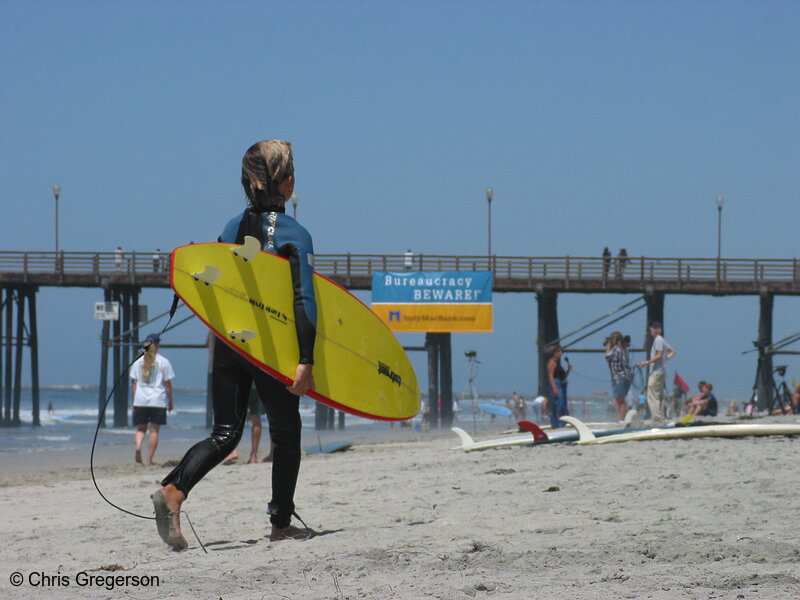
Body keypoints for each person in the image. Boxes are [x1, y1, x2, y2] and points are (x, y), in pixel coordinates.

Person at [152, 140, 316, 550]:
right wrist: (306, 359)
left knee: (226, 432)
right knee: (287, 433)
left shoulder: (229, 228)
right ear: (289, 184)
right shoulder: (296, 233)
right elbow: (304, 301)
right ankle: (280, 522)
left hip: (227, 341)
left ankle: (174, 490)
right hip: (270, 348)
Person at [130, 334, 175, 466]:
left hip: (140, 400)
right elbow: (167, 385)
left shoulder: (138, 361)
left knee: (140, 428)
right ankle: (149, 460)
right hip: (157, 401)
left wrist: (133, 401)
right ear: (158, 345)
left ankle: (138, 446)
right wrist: (171, 401)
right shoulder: (163, 362)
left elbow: (134, 384)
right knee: (154, 430)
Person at [222, 385, 273, 465]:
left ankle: (234, 451)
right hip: (261, 382)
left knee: (235, 417)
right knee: (263, 418)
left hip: (245, 382)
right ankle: (256, 455)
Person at [636, 322, 676, 422]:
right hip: (661, 371)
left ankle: (657, 417)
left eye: (654, 329)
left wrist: (646, 362)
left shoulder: (658, 340)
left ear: (659, 330)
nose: (652, 331)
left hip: (656, 371)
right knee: (657, 394)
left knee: (651, 395)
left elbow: (658, 355)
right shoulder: (661, 340)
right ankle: (659, 416)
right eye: (651, 329)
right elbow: (673, 351)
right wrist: (665, 359)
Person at [604, 332, 632, 421]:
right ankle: (625, 419)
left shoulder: (616, 349)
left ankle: (622, 420)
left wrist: (608, 347)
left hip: (619, 377)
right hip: (625, 376)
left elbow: (607, 356)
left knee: (619, 401)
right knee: (620, 400)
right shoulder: (624, 349)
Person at [546, 345, 572, 428]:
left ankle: (563, 422)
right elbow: (550, 375)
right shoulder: (552, 362)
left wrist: (568, 369)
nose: (560, 353)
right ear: (553, 353)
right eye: (558, 351)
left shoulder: (558, 363)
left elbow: (564, 376)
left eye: (561, 351)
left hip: (562, 383)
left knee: (563, 404)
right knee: (557, 404)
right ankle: (556, 423)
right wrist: (554, 387)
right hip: (556, 383)